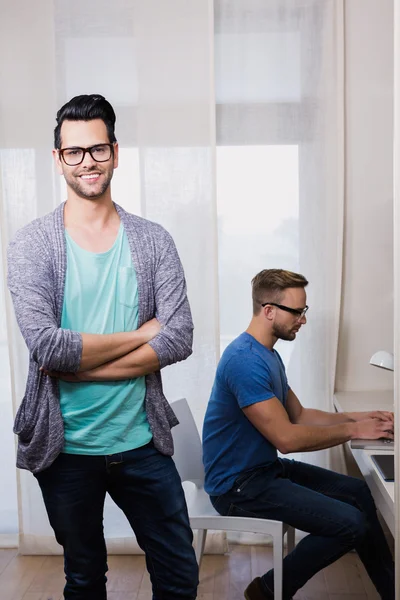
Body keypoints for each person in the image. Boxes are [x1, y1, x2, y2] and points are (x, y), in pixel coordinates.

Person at [7, 94, 198, 600]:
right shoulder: (31, 245)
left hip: (140, 441)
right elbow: (48, 348)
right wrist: (140, 333)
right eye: (74, 152)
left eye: (97, 149)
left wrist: (85, 368)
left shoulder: (154, 240)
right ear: (57, 159)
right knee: (85, 578)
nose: (87, 161)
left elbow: (179, 335)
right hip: (65, 448)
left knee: (180, 577)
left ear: (115, 151)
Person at [202, 269, 394, 600]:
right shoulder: (245, 361)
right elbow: (287, 439)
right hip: (237, 487)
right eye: (298, 311)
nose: (303, 320)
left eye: (304, 311)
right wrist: (353, 431)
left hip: (263, 471)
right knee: (351, 523)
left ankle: (392, 590)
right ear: (269, 310)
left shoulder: (268, 354)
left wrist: (361, 416)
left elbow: (300, 415)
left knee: (360, 493)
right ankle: (268, 589)